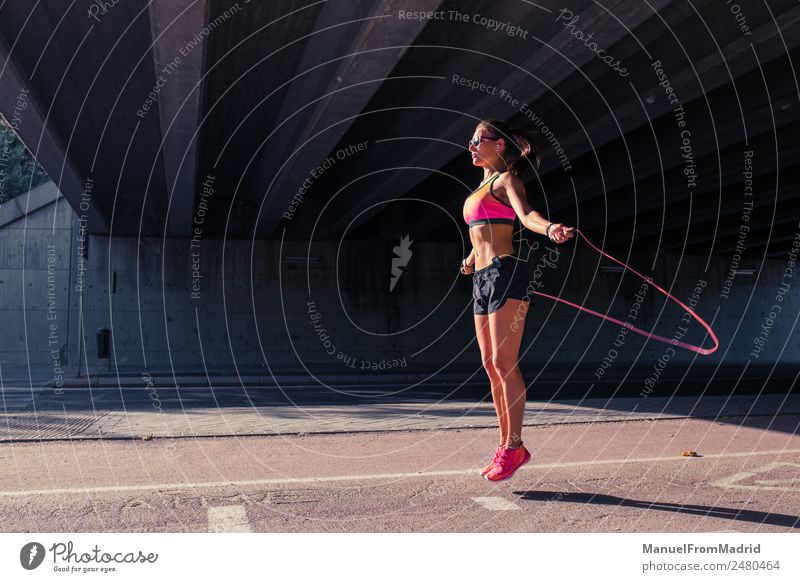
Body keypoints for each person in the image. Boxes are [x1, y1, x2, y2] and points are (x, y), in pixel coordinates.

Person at [460, 118, 574, 481]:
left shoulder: (506, 180)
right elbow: (482, 234)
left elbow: (526, 217)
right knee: (490, 364)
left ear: (500, 145)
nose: (472, 146)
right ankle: (506, 447)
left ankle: (514, 446)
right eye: (472, 141)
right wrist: (468, 260)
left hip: (506, 274)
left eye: (479, 140)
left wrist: (551, 228)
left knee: (504, 362)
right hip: (482, 277)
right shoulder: (480, 187)